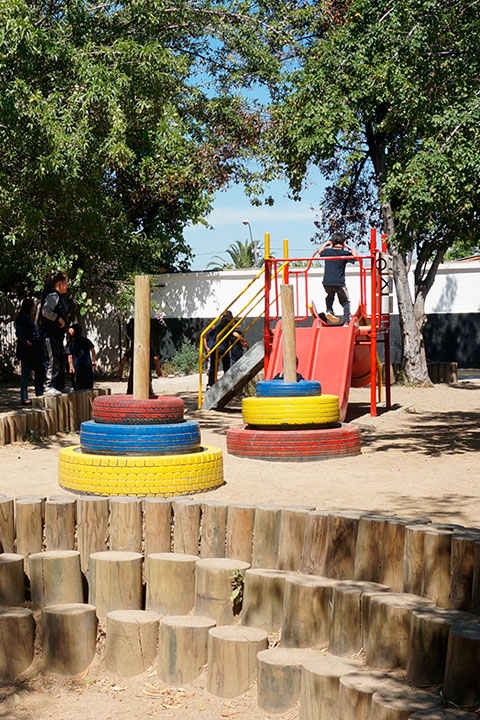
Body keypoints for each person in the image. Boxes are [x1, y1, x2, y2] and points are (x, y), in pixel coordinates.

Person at [39, 271, 69, 396]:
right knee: (53, 360)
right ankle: (48, 386)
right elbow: (45, 311)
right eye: (66, 283)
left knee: (60, 360)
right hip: (50, 336)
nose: (67, 286)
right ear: (59, 284)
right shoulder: (53, 296)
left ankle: (59, 385)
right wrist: (58, 318)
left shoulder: (59, 298)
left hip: (57, 336)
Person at [319, 232, 358, 324]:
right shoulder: (344, 253)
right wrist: (350, 248)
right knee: (345, 302)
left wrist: (325, 244)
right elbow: (357, 258)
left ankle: (329, 311)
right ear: (344, 242)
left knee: (330, 296)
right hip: (339, 283)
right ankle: (346, 321)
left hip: (327, 282)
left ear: (332, 242)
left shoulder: (327, 252)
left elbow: (320, 251)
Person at [117, 318, 161, 396]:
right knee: (147, 392)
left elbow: (125, 357)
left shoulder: (135, 344)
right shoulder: (148, 344)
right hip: (145, 371)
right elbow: (155, 358)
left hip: (134, 372)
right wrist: (158, 369)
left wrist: (121, 368)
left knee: (131, 392)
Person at [15, 299, 44, 405]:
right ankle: (24, 397)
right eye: (33, 307)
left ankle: (39, 393)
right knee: (25, 374)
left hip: (33, 350)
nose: (34, 309)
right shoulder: (23, 318)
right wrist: (28, 342)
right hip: (26, 350)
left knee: (39, 369)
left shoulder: (28, 318)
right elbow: (20, 333)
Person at [204, 311, 234, 389]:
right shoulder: (228, 327)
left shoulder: (218, 327)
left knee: (213, 366)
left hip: (214, 347)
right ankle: (226, 382)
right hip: (223, 347)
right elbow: (233, 334)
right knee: (226, 364)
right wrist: (241, 339)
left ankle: (210, 383)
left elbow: (209, 334)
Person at [66, 324, 96, 390]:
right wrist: (93, 361)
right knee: (88, 387)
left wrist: (71, 366)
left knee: (78, 387)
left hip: (77, 367)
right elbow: (93, 350)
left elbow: (69, 356)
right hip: (87, 366)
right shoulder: (86, 340)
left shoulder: (72, 343)